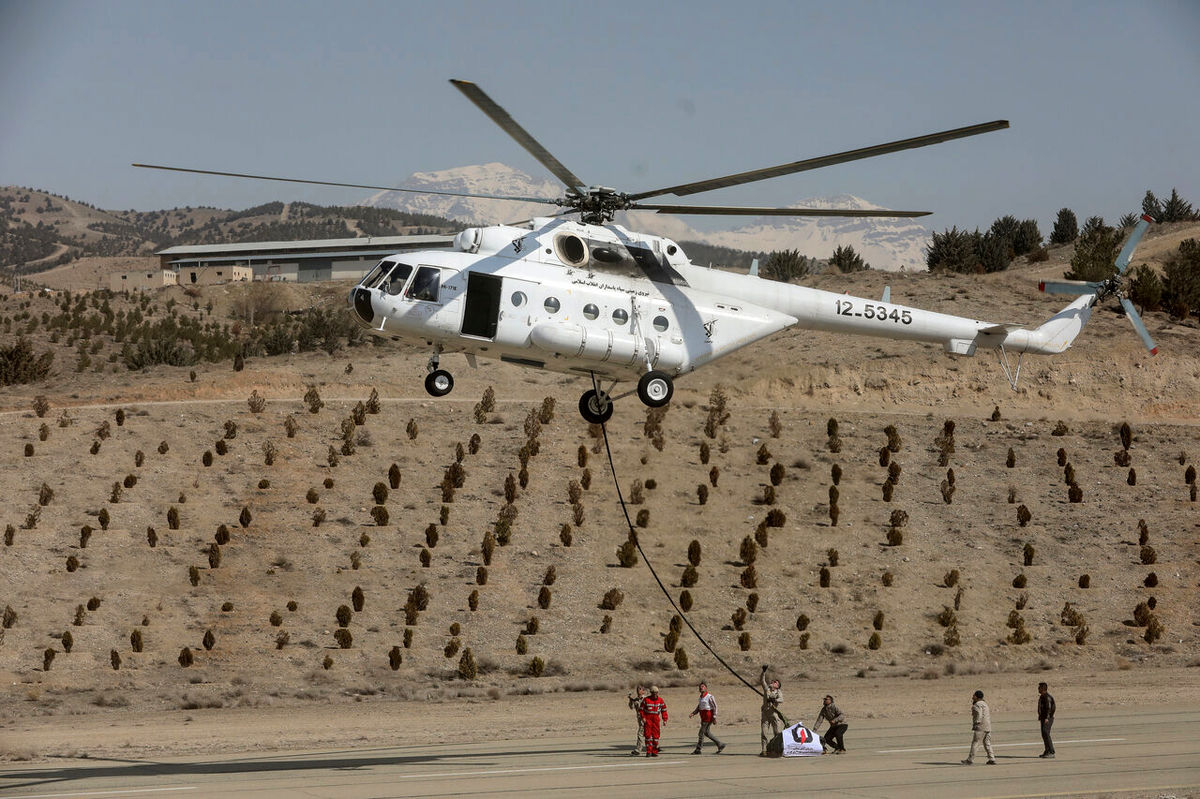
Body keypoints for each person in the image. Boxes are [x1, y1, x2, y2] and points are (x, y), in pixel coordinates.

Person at [689, 682, 725, 754]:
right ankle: (720, 744)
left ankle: (698, 749)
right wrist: (693, 713)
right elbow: (699, 707)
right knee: (707, 733)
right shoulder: (701, 697)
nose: (701, 688)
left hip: (708, 718)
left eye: (702, 686)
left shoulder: (710, 696)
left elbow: (715, 707)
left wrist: (714, 717)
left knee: (701, 733)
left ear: (706, 688)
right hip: (703, 718)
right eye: (700, 687)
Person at [962, 689, 996, 765]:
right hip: (988, 726)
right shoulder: (985, 704)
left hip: (981, 726)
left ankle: (970, 760)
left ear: (977, 697)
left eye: (973, 696)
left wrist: (976, 723)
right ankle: (992, 758)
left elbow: (979, 714)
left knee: (975, 743)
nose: (972, 697)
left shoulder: (977, 705)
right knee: (987, 743)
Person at [760, 665, 784, 756]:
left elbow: (781, 699)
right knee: (764, 733)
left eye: (775, 682)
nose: (773, 682)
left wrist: (774, 700)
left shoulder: (778, 692)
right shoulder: (767, 689)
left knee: (777, 733)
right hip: (765, 713)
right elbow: (762, 680)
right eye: (773, 681)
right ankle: (764, 750)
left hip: (774, 714)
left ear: (778, 686)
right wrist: (763, 672)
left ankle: (776, 749)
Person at [640, 685, 668, 757]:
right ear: (651, 693)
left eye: (656, 693)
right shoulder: (646, 700)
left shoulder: (660, 700)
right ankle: (648, 751)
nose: (655, 694)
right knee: (648, 736)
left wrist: (664, 719)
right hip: (648, 720)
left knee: (656, 737)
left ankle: (654, 751)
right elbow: (641, 709)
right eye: (653, 693)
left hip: (656, 720)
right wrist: (643, 717)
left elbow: (664, 710)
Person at [1038, 682, 1056, 758]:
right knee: (1044, 734)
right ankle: (1047, 750)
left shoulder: (1047, 697)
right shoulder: (1042, 696)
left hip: (1047, 719)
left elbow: (1049, 708)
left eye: (1039, 688)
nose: (1038, 689)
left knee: (1046, 733)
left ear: (1043, 689)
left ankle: (1051, 751)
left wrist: (1047, 718)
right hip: (1044, 718)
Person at [627, 686, 646, 755]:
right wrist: (630, 700)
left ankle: (638, 749)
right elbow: (631, 707)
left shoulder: (646, 699)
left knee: (640, 734)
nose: (638, 691)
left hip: (645, 719)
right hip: (640, 719)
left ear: (643, 691)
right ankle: (655, 747)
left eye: (640, 689)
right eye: (637, 689)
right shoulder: (636, 700)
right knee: (647, 734)